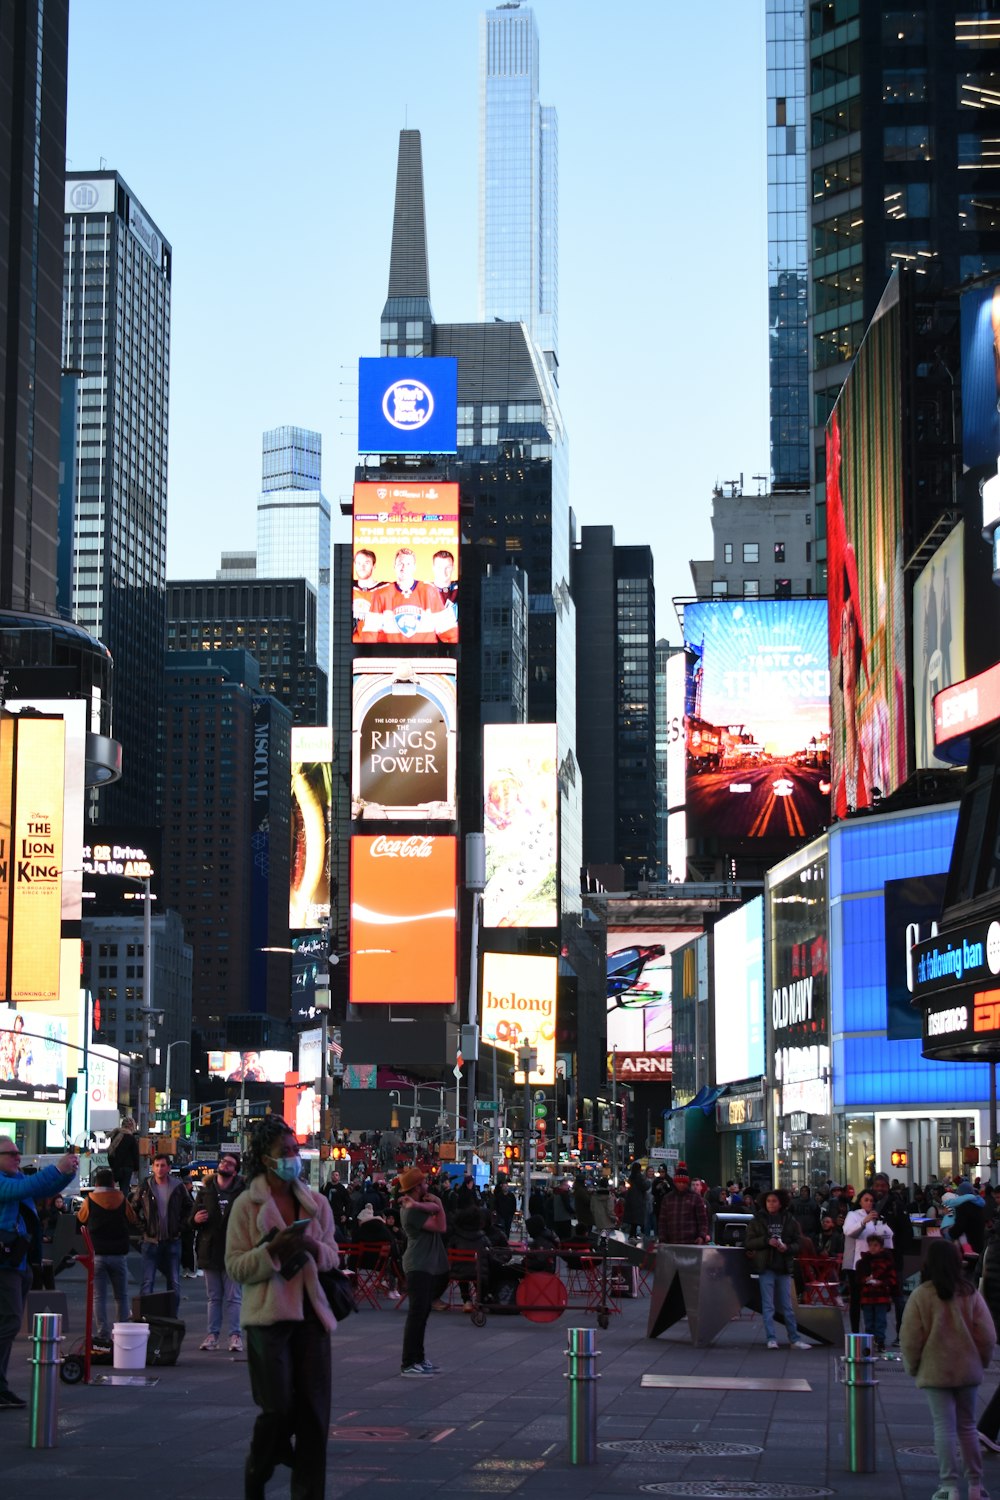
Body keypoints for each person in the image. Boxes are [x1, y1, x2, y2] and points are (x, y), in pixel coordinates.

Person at [226, 1116, 338, 1500]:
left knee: (313, 1417)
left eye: (295, 1151)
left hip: (311, 1317)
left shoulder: (316, 1202)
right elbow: (235, 1266)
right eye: (284, 1152)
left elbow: (333, 1257)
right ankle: (261, 1461)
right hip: (267, 1320)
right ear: (265, 1158)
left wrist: (311, 1248)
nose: (293, 1158)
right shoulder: (246, 1204)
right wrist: (270, 1252)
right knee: (276, 1407)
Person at [901, 1238, 994, 1500]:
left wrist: (913, 1366)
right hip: (967, 1369)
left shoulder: (922, 1295)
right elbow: (986, 1335)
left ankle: (949, 1486)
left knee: (943, 1428)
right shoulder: (969, 1293)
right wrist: (982, 1361)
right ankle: (975, 1485)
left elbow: (910, 1338)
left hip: (935, 1370)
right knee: (967, 1426)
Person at [0, 1137, 78, 1408]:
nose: (17, 1157)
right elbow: (28, 1188)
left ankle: (1, 1386)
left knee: (8, 1324)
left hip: (18, 1263)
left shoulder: (15, 1179)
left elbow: (43, 1190)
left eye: (18, 1152)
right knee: (8, 1322)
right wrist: (59, 1169)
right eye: (11, 1153)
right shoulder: (4, 1183)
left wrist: (68, 1171)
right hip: (5, 1266)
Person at [396, 1165, 448, 1377]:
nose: (428, 1185)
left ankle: (418, 1357)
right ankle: (408, 1362)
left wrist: (435, 1204)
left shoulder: (417, 1205)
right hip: (418, 1265)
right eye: (424, 1182)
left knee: (423, 1312)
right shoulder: (411, 1211)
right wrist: (439, 1205)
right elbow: (441, 1225)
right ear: (417, 1187)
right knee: (417, 1314)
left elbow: (437, 1213)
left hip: (426, 1265)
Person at [745, 1188, 812, 1351]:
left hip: (782, 1267)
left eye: (774, 1201)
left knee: (787, 1305)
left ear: (781, 1203)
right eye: (768, 1201)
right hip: (766, 1267)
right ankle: (772, 1338)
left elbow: (798, 1243)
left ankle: (793, 1338)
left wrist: (786, 1247)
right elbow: (748, 1242)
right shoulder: (757, 1220)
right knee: (768, 1305)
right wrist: (766, 1241)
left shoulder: (789, 1220)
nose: (771, 1204)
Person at [77, 1165, 137, 1344]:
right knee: (121, 1295)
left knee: (98, 1296)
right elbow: (132, 1217)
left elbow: (81, 1217)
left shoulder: (90, 1199)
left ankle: (103, 1333)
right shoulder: (121, 1198)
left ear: (96, 1182)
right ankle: (122, 1330)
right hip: (119, 1253)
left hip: (98, 1254)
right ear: (112, 1182)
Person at [131, 1153, 193, 1318]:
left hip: (172, 1239)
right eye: (157, 1165)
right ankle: (145, 1317)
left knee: (174, 1281)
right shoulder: (146, 1186)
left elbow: (189, 1208)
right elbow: (133, 1209)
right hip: (151, 1240)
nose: (159, 1169)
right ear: (152, 1167)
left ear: (169, 1167)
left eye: (162, 1165)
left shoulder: (178, 1187)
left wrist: (180, 1227)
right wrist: (143, 1229)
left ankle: (171, 1316)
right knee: (147, 1281)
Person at [195, 1152, 246, 1352]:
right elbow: (190, 1220)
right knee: (214, 1297)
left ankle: (235, 1336)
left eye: (230, 1163)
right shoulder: (206, 1191)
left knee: (234, 1297)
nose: (224, 1164)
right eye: (223, 1161)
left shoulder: (242, 1192)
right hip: (211, 1250)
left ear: (235, 1170)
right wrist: (195, 1220)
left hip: (234, 1250)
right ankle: (212, 1335)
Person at [842, 1189, 893, 1335]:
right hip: (855, 1262)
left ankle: (874, 1332)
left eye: (871, 1200)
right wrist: (864, 1222)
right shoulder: (853, 1215)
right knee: (856, 1299)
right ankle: (855, 1331)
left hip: (872, 1263)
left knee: (872, 1299)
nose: (869, 1203)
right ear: (860, 1201)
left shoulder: (876, 1217)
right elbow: (849, 1231)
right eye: (866, 1200)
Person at [856, 1233, 899, 1353]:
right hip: (867, 1295)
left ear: (881, 1247)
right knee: (868, 1321)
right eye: (870, 1245)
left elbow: (892, 1279)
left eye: (875, 1245)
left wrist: (881, 1282)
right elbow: (858, 1279)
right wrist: (865, 1279)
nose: (872, 1248)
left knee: (881, 1321)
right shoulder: (863, 1261)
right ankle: (870, 1342)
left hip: (881, 1296)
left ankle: (880, 1341)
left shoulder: (886, 1262)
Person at [656, 1163, 709, 1245]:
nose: (681, 1184)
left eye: (683, 1182)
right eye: (679, 1182)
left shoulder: (696, 1198)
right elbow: (662, 1222)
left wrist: (701, 1236)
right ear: (675, 1182)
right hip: (672, 1243)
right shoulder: (667, 1199)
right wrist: (662, 1239)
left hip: (692, 1243)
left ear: (687, 1183)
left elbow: (703, 1221)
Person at [106, 1117, 140, 1198]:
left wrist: (113, 1166)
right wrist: (136, 1168)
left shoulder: (115, 1136)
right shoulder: (131, 1138)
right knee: (125, 1188)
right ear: (132, 1126)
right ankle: (124, 1206)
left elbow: (111, 1153)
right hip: (127, 1167)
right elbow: (135, 1154)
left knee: (118, 1187)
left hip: (117, 1167)